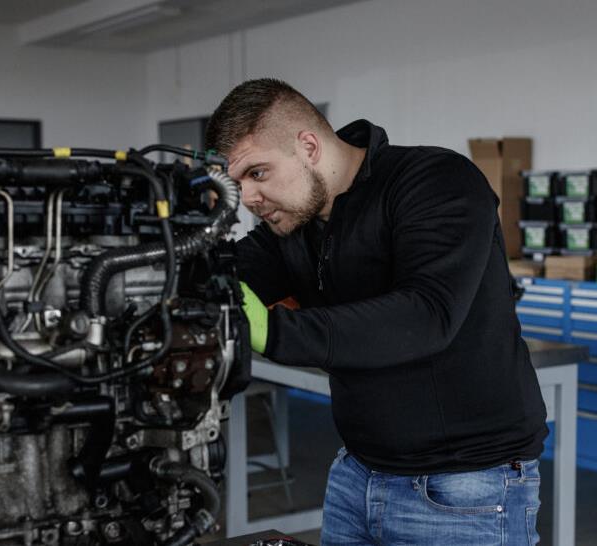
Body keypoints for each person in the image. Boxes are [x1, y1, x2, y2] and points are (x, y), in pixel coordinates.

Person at [205, 78, 548, 546]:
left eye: (258, 173)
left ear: (308, 146)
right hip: (357, 473)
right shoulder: (293, 224)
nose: (246, 199)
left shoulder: (436, 181)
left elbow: (426, 315)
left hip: (464, 486)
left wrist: (271, 331)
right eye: (235, 182)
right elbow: (227, 272)